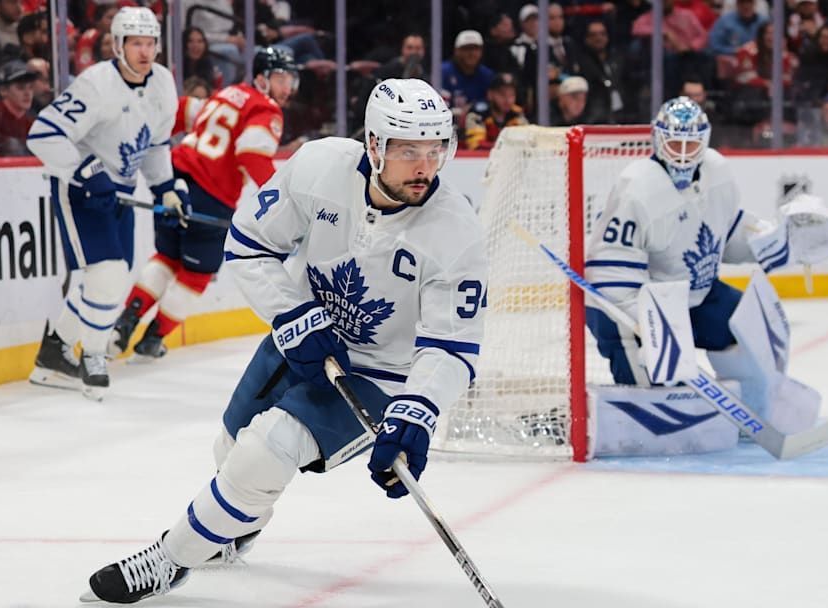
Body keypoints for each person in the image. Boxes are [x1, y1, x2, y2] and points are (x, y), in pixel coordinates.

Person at [81, 77, 487, 603]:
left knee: (267, 447)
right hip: (303, 334)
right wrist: (294, 314)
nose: (425, 167)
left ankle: (168, 560)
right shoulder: (320, 167)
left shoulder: (455, 230)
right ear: (374, 144)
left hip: (380, 373)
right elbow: (249, 243)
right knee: (231, 448)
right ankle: (234, 528)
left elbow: (451, 346)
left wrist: (417, 412)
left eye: (435, 150)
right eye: (409, 150)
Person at [584, 96, 828, 436]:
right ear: (658, 140)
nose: (682, 154)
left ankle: (755, 410)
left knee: (752, 324)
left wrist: (773, 242)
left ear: (704, 141)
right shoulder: (638, 188)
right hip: (623, 310)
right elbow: (609, 272)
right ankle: (643, 415)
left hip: (692, 296)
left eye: (690, 144)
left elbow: (725, 231)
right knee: (659, 404)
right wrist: (653, 327)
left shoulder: (717, 172)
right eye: (674, 144)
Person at [25, 7, 185, 401]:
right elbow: (42, 134)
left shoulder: (163, 83)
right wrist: (85, 170)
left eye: (150, 43)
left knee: (111, 280)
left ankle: (54, 354)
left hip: (121, 192)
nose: (144, 52)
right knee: (108, 274)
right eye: (135, 43)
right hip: (80, 190)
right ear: (117, 45)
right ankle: (93, 357)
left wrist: (166, 187)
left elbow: (156, 145)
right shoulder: (96, 84)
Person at [109, 47, 297, 361]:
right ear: (262, 79)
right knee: (197, 274)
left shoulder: (228, 93)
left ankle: (124, 324)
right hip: (211, 195)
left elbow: (179, 111)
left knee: (167, 257)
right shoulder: (266, 109)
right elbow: (251, 154)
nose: (287, 87)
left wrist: (150, 144)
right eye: (281, 79)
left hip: (172, 183)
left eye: (290, 80)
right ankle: (153, 339)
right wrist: (283, 202)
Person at [460, 71, 528, 150]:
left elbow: (527, 143)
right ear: (490, 94)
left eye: (511, 95)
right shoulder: (477, 114)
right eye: (502, 94)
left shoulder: (517, 114)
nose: (508, 100)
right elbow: (477, 146)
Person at [0, 58, 38, 156]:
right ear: (3, 91)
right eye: (20, 88)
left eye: (31, 87)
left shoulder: (32, 123)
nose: (27, 93)